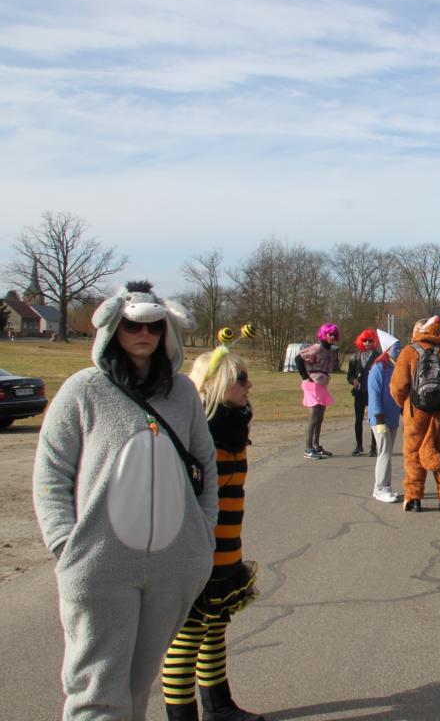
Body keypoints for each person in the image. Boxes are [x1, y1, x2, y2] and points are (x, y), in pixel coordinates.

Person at [33, 281, 218, 720]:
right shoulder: (83, 390)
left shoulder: (183, 393)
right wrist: (66, 544)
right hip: (100, 564)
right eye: (134, 325)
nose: (144, 334)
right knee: (97, 689)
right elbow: (51, 472)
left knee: (138, 684)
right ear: (114, 327)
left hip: (173, 565)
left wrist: (202, 533)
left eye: (155, 326)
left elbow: (205, 465)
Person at [162, 346, 263, 721]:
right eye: (241, 379)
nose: (249, 385)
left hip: (226, 551)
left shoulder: (234, 425)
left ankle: (219, 708)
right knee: (187, 639)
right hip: (194, 556)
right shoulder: (197, 432)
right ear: (216, 384)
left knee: (215, 628)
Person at [390, 316, 440, 512]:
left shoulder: (408, 352)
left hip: (416, 412)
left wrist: (407, 404)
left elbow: (397, 387)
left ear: (420, 330)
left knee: (413, 454)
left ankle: (414, 498)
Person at [296, 323, 341, 459]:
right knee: (314, 417)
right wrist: (305, 377)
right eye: (330, 334)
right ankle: (308, 448)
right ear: (324, 335)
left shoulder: (330, 349)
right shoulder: (317, 347)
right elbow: (298, 358)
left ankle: (316, 445)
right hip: (312, 383)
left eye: (334, 335)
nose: (332, 337)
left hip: (321, 384)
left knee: (320, 417)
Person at [367, 330, 403, 502]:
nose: (399, 351)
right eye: (396, 348)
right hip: (380, 419)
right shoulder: (378, 368)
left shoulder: (395, 367)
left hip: (392, 417)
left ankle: (380, 487)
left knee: (388, 452)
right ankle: (382, 488)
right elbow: (374, 395)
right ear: (387, 350)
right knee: (384, 452)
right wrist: (379, 417)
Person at [346, 328, 381, 457]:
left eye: (370, 340)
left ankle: (374, 447)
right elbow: (349, 375)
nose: (367, 343)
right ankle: (359, 446)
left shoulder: (379, 356)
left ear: (374, 341)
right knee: (358, 419)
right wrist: (353, 381)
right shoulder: (355, 357)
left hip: (373, 393)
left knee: (374, 419)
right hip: (360, 392)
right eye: (365, 340)